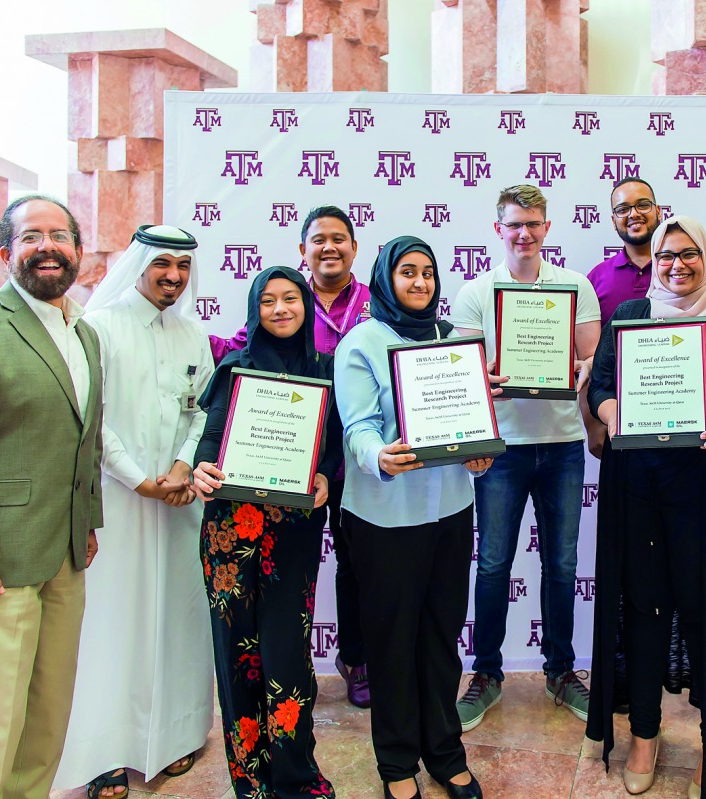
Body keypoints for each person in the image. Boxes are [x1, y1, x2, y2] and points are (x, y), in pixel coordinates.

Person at [585, 215, 706, 799]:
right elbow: (603, 386)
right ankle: (643, 734)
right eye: (667, 255)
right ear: (653, 260)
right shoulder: (630, 318)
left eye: (690, 254)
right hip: (638, 488)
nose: (677, 265)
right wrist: (615, 415)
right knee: (642, 608)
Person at [54, 225, 215, 799]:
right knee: (113, 625)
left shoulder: (193, 332)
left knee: (177, 617)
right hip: (118, 503)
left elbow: (202, 412)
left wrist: (179, 467)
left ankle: (172, 737)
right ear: (140, 263)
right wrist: (139, 479)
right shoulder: (98, 327)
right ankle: (105, 754)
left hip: (178, 500)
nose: (173, 275)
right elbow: (91, 417)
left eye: (182, 266)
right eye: (162, 263)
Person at [335, 236, 495, 799]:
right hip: (385, 518)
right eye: (408, 272)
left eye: (428, 272)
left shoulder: (455, 342)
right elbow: (356, 427)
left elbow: (471, 428)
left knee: (440, 638)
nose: (421, 282)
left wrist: (478, 456)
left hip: (449, 512)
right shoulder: (362, 342)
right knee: (392, 644)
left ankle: (445, 753)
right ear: (386, 278)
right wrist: (378, 456)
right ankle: (398, 765)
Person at [0, 195, 105, 799]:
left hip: (66, 556)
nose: (48, 246)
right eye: (30, 236)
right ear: (4, 254)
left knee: (46, 719)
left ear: (77, 253)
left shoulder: (86, 334)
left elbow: (84, 437)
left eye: (60, 236)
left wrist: (88, 521)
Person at [450, 184, 602, 731]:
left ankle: (561, 671)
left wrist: (584, 372)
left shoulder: (574, 285)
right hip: (502, 448)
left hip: (561, 446)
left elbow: (591, 358)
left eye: (533, 223)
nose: (524, 233)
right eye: (514, 224)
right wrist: (481, 381)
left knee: (561, 565)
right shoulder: (475, 293)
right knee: (492, 564)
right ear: (499, 229)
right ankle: (486, 673)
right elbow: (464, 369)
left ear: (547, 228)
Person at [210, 205, 374, 708]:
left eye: (340, 238)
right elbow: (237, 355)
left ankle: (357, 658)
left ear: (354, 247)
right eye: (318, 239)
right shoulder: (287, 302)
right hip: (290, 466)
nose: (330, 247)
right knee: (291, 569)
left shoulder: (374, 302)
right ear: (302, 251)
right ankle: (286, 669)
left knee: (357, 564)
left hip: (360, 461)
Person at [192, 265, 342, 799]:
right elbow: (210, 441)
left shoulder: (326, 369)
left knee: (287, 657)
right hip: (230, 534)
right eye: (268, 302)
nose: (280, 309)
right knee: (236, 657)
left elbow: (334, 449)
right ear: (254, 310)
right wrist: (201, 469)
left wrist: (325, 473)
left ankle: (296, 776)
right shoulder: (235, 368)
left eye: (291, 299)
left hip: (293, 533)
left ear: (306, 306)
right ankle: (249, 779)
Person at [584, 178, 706, 459]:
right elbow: (596, 364)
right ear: (613, 220)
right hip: (631, 432)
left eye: (642, 205)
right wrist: (596, 422)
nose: (633, 214)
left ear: (658, 211)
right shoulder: (597, 278)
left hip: (701, 433)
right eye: (623, 209)